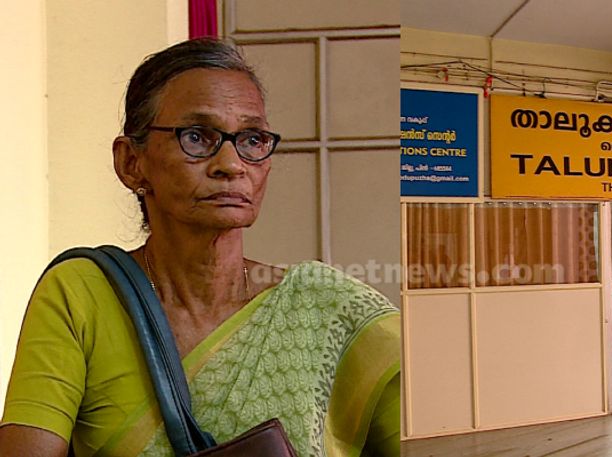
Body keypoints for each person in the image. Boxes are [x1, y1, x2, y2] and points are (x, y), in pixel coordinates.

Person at [0, 39, 400, 457]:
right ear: (131, 162)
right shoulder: (81, 294)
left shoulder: (328, 307)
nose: (231, 164)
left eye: (252, 139)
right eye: (196, 136)